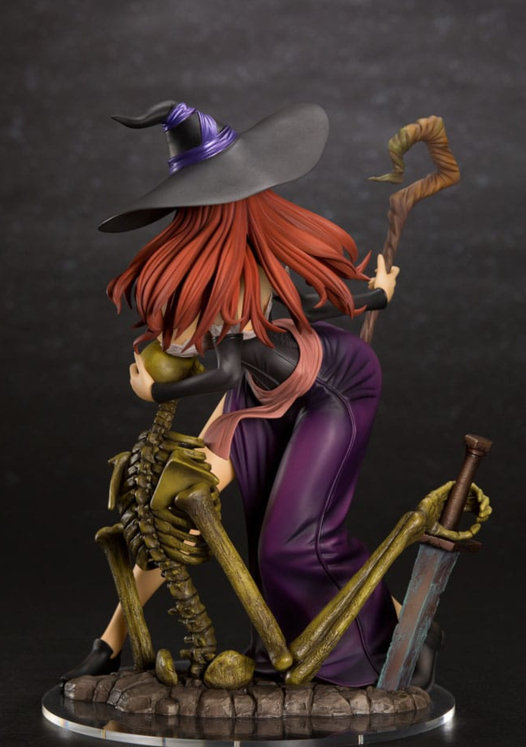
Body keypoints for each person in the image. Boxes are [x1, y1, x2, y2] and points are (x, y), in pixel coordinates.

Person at [62, 100, 405, 687]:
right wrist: (375, 297)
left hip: (334, 389)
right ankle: (110, 642)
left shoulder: (239, 261)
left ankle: (398, 628)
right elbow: (282, 322)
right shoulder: (213, 262)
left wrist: (156, 391)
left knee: (290, 546)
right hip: (263, 389)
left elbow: (233, 362)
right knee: (173, 505)